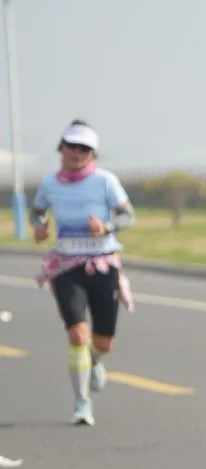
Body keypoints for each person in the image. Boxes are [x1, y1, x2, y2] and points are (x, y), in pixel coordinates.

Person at [30, 120, 136, 426]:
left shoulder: (105, 181)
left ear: (93, 153)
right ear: (60, 148)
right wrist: (39, 226)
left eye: (84, 149)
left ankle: (95, 360)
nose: (77, 153)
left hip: (102, 264)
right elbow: (37, 210)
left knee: (103, 342)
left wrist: (106, 227)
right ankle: (81, 402)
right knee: (78, 333)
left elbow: (128, 215)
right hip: (66, 266)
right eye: (72, 146)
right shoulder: (50, 184)